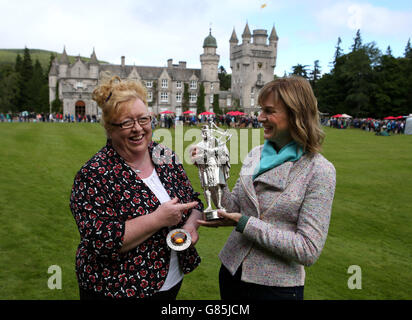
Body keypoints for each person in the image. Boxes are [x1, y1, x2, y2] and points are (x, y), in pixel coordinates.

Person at [196, 76, 336, 300]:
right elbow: (232, 206)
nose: (260, 117)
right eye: (261, 110)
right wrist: (210, 167)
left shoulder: (319, 170)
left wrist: (244, 223)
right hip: (231, 272)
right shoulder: (256, 154)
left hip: (275, 288)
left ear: (295, 114)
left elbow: (308, 249)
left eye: (269, 111)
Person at [70, 76, 204, 300]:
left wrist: (191, 225)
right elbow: (101, 241)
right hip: (117, 289)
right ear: (109, 128)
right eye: (126, 123)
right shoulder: (93, 174)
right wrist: (158, 219)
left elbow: (193, 201)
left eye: (143, 119)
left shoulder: (165, 156)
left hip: (170, 281)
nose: (138, 129)